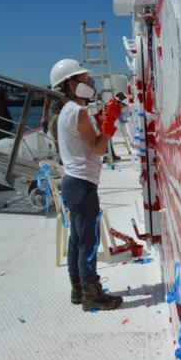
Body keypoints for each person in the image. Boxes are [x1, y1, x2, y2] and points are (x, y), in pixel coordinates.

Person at [50, 58, 123, 311]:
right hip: (82, 184)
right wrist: (110, 124)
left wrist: (101, 120)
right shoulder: (78, 112)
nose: (89, 82)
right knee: (88, 242)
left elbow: (85, 139)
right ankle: (92, 294)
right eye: (83, 79)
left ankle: (78, 290)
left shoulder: (67, 112)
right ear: (71, 84)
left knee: (77, 240)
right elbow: (98, 148)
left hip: (72, 183)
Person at [41, 85, 64, 154]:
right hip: (60, 114)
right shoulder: (65, 85)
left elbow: (47, 104)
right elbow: (47, 103)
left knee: (57, 138)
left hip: (56, 115)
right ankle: (61, 155)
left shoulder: (50, 88)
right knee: (60, 137)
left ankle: (61, 156)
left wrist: (44, 118)